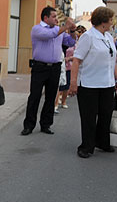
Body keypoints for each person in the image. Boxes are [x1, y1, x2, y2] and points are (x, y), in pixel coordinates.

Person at [68, 6, 117, 158]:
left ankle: (102, 142)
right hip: (89, 84)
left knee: (106, 115)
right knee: (89, 117)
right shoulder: (88, 37)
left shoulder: (108, 37)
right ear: (103, 21)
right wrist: (73, 82)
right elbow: (77, 60)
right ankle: (86, 146)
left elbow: (112, 59)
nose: (112, 22)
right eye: (111, 20)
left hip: (107, 83)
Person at [21, 7, 76, 135]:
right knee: (35, 96)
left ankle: (46, 124)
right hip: (40, 67)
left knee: (51, 97)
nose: (56, 19)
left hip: (55, 67)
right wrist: (65, 26)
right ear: (45, 18)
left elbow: (71, 41)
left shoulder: (59, 30)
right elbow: (49, 35)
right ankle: (29, 125)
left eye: (57, 16)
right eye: (54, 16)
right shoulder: (37, 29)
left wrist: (72, 30)